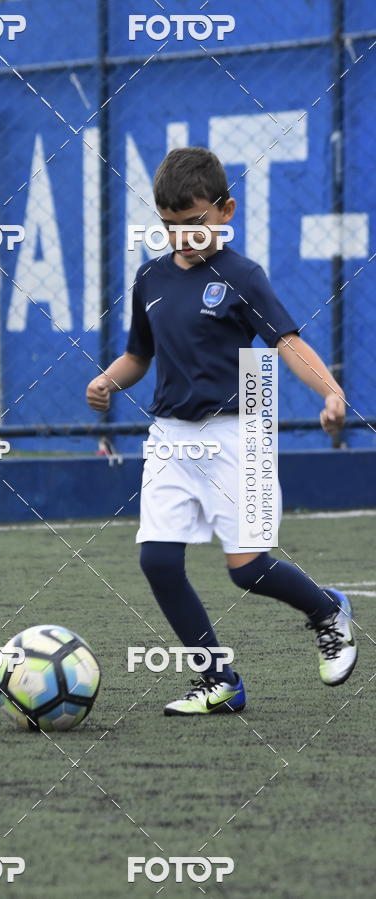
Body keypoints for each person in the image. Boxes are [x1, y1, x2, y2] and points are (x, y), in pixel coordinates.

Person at [86, 147, 356, 715]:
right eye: (168, 226)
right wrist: (109, 381)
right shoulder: (149, 278)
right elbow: (140, 353)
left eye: (193, 224)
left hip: (237, 439)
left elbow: (287, 342)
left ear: (225, 211)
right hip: (169, 439)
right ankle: (220, 682)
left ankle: (327, 611)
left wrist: (330, 393)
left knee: (249, 571)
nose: (181, 237)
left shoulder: (242, 276)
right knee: (158, 562)